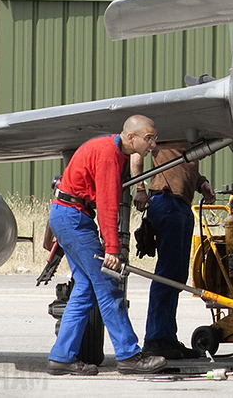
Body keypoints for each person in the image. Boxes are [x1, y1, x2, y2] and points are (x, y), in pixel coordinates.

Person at [46, 114, 167, 376]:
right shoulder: (108, 154)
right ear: (130, 136)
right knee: (108, 285)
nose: (153, 145)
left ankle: (61, 357)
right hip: (73, 218)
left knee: (86, 289)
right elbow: (108, 204)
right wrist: (112, 249)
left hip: (69, 215)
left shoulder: (114, 151)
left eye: (154, 139)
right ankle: (129, 355)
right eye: (149, 139)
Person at [132, 142, 215, 359]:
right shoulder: (167, 126)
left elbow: (182, 167)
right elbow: (136, 154)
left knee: (177, 275)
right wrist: (140, 188)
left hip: (180, 205)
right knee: (167, 275)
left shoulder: (189, 135)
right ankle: (155, 339)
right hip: (167, 201)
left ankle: (167, 338)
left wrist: (201, 183)